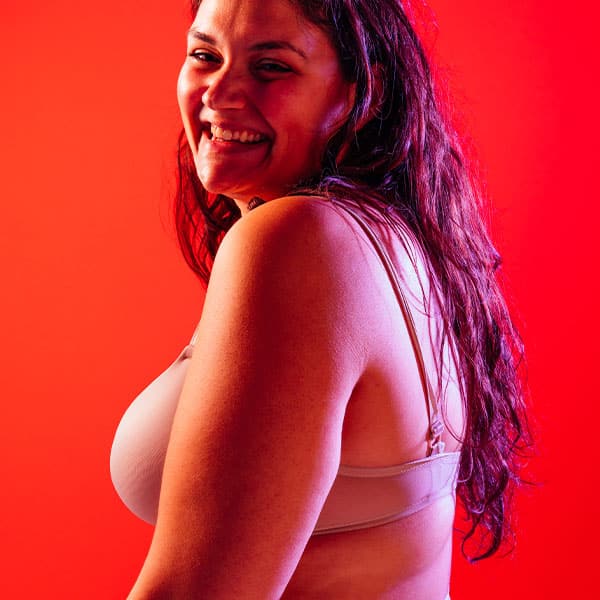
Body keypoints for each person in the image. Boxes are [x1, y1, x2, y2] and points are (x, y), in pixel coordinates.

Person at [110, 0, 530, 597]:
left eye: (272, 67)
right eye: (205, 55)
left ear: (363, 93)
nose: (220, 93)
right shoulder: (385, 236)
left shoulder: (299, 243)